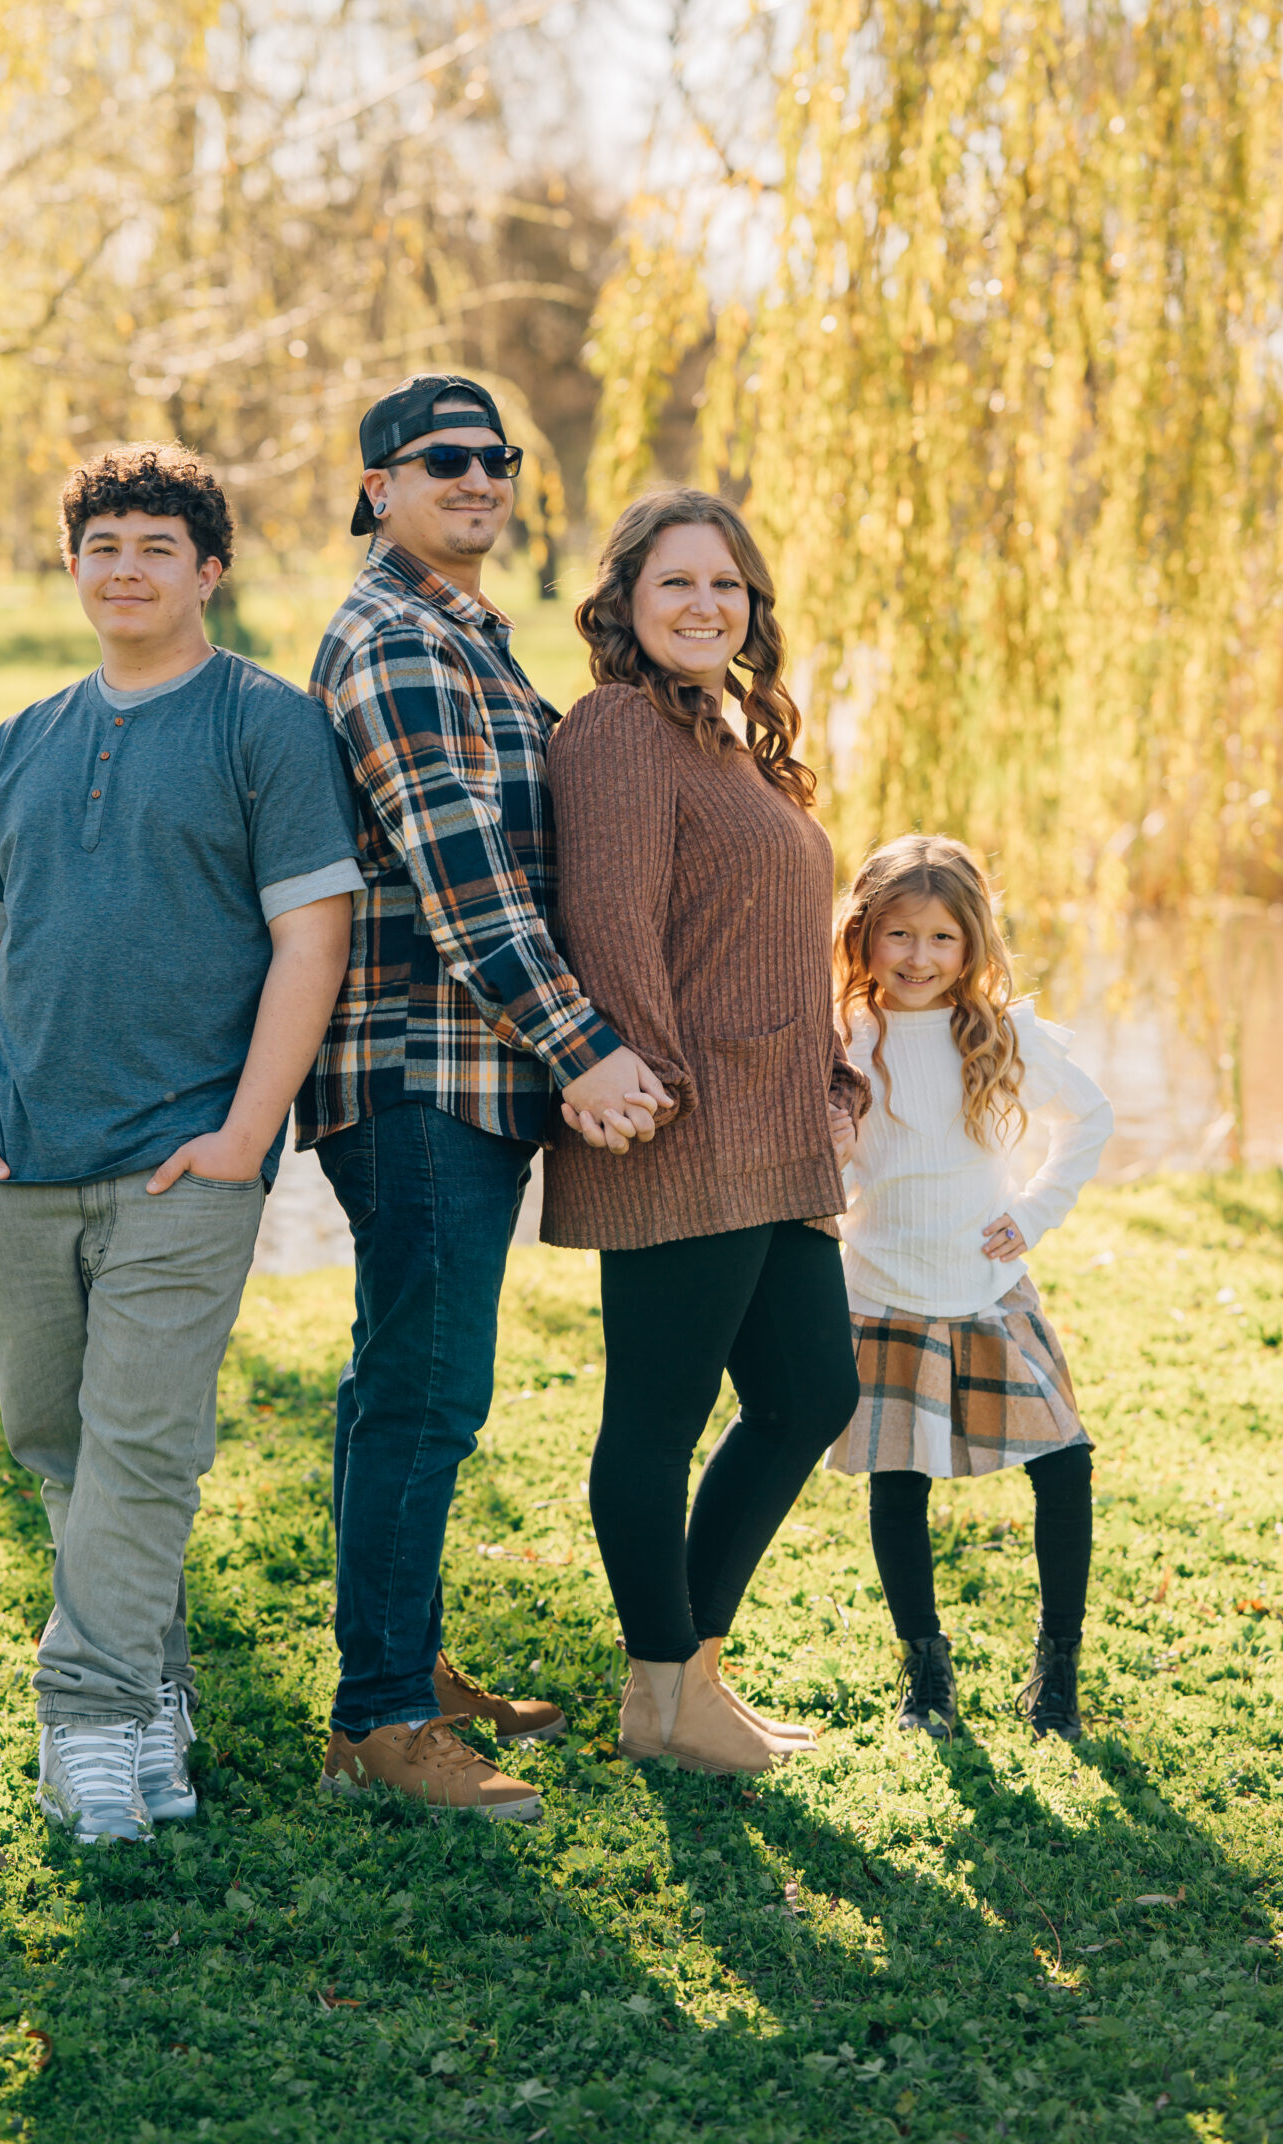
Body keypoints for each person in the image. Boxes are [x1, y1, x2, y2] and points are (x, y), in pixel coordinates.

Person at [0, 446, 364, 1844]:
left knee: (139, 1446)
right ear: (74, 567)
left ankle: (91, 1728)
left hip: (184, 1159)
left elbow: (313, 934)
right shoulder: (21, 742)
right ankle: (155, 1689)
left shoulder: (261, 726)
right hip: (20, 1161)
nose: (126, 566)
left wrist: (245, 1132)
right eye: (103, 543)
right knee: (56, 1440)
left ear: (207, 573)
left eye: (156, 546)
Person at [301, 373, 673, 1822]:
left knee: (399, 1381)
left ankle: (397, 1661)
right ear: (377, 489)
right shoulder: (389, 638)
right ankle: (379, 1723)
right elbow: (467, 888)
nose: (477, 476)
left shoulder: (468, 637)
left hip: (465, 1074)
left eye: (495, 457)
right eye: (441, 458)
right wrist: (583, 1046)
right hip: (413, 1072)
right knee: (426, 1393)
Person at [541, 488, 870, 1776]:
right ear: (624, 600)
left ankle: (686, 1676)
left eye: (726, 584)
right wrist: (648, 1091)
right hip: (678, 1125)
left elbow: (761, 932)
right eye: (676, 582)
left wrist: (828, 1074)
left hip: (770, 1124)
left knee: (806, 1395)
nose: (704, 605)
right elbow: (613, 930)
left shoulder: (724, 732)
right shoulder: (618, 727)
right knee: (657, 1419)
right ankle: (661, 1692)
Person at [827, 835, 1114, 1743]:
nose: (918, 958)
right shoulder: (847, 1038)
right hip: (881, 1290)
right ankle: (924, 1666)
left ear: (971, 943)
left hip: (987, 1287)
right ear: (863, 936)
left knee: (1064, 1461)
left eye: (941, 938)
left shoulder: (1003, 1033)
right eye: (898, 935)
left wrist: (1033, 1215)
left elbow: (1090, 1118)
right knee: (898, 1477)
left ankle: (1056, 1669)